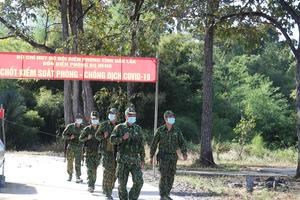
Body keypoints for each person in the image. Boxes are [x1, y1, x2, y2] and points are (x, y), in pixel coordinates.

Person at [150, 110, 188, 200]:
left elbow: (182, 142)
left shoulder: (177, 130)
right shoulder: (160, 130)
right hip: (163, 156)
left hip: (173, 157)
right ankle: (163, 195)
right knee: (164, 175)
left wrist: (184, 153)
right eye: (170, 117)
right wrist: (151, 156)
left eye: (173, 117)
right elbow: (154, 143)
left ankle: (167, 194)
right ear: (165, 119)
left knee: (171, 175)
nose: (172, 119)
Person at [110, 106, 145, 200]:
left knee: (139, 182)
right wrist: (122, 138)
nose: (132, 117)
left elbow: (141, 145)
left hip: (135, 161)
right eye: (130, 115)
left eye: (133, 115)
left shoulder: (138, 129)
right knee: (122, 185)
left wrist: (142, 159)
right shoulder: (119, 127)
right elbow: (112, 140)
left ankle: (132, 198)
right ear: (126, 117)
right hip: (122, 161)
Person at [95, 107, 119, 200]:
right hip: (106, 152)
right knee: (107, 172)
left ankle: (108, 188)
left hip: (116, 153)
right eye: (110, 113)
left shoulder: (119, 126)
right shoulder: (104, 125)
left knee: (115, 174)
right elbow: (97, 135)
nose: (112, 115)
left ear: (117, 116)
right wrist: (103, 136)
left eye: (113, 114)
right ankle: (107, 192)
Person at [79, 111, 101, 193]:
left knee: (94, 169)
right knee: (89, 169)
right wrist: (87, 138)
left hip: (98, 153)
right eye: (93, 119)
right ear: (90, 119)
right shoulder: (87, 129)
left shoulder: (100, 129)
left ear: (98, 119)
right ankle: (90, 185)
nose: (94, 120)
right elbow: (80, 138)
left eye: (96, 119)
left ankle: (93, 183)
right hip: (88, 152)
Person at [62, 113, 84, 183]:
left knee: (78, 162)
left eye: (80, 119)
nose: (79, 120)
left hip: (79, 148)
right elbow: (63, 135)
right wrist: (69, 137)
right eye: (78, 119)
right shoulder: (70, 126)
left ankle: (78, 176)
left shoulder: (83, 128)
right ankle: (70, 175)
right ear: (75, 120)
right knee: (70, 162)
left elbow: (85, 137)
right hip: (71, 147)